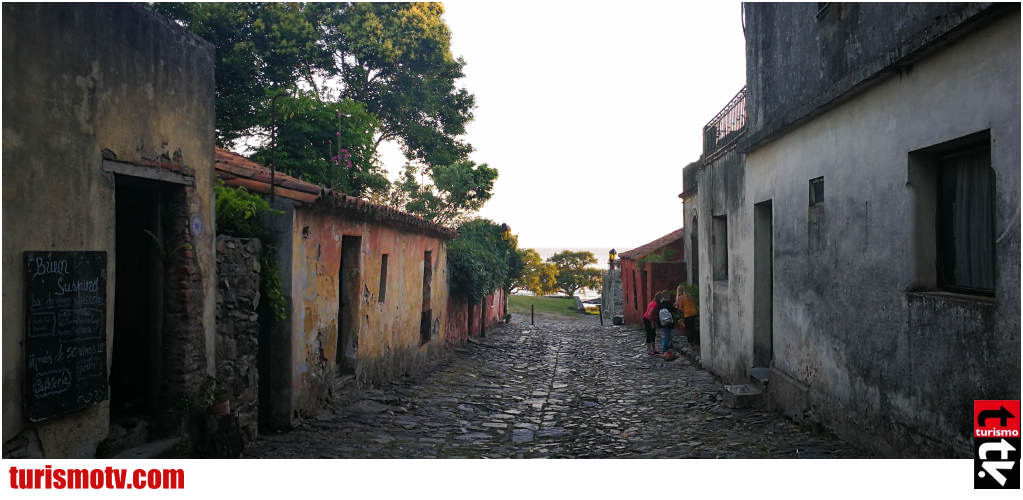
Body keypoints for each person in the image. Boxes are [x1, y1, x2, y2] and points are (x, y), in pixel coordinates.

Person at [656, 290, 679, 355]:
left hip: (662, 322)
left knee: (666, 336)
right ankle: (664, 352)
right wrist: (676, 306)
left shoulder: (659, 303)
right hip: (668, 321)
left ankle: (665, 351)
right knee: (668, 338)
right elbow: (674, 310)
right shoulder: (668, 303)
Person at [677, 285, 698, 349]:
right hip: (693, 312)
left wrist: (678, 308)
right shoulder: (689, 296)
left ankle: (689, 344)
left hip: (687, 314)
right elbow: (694, 305)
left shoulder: (680, 297)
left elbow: (680, 308)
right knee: (692, 327)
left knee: (688, 329)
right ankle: (694, 342)